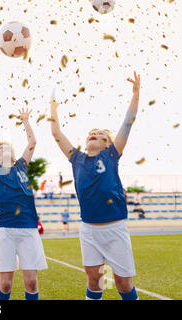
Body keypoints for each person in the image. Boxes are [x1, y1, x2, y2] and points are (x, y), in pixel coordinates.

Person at [50, 72, 141, 300]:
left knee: (123, 284)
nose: (94, 134)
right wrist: (53, 107)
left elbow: (128, 122)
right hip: (89, 230)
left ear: (108, 143)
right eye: (91, 133)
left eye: (100, 134)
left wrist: (136, 94)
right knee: (94, 280)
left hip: (114, 228)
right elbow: (55, 133)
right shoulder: (77, 158)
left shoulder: (112, 155)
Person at [0, 101, 47, 300]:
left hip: (28, 228)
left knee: (31, 283)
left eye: (6, 148)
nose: (3, 150)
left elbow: (32, 142)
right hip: (6, 229)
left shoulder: (21, 167)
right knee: (6, 285)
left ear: (14, 156)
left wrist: (26, 121)